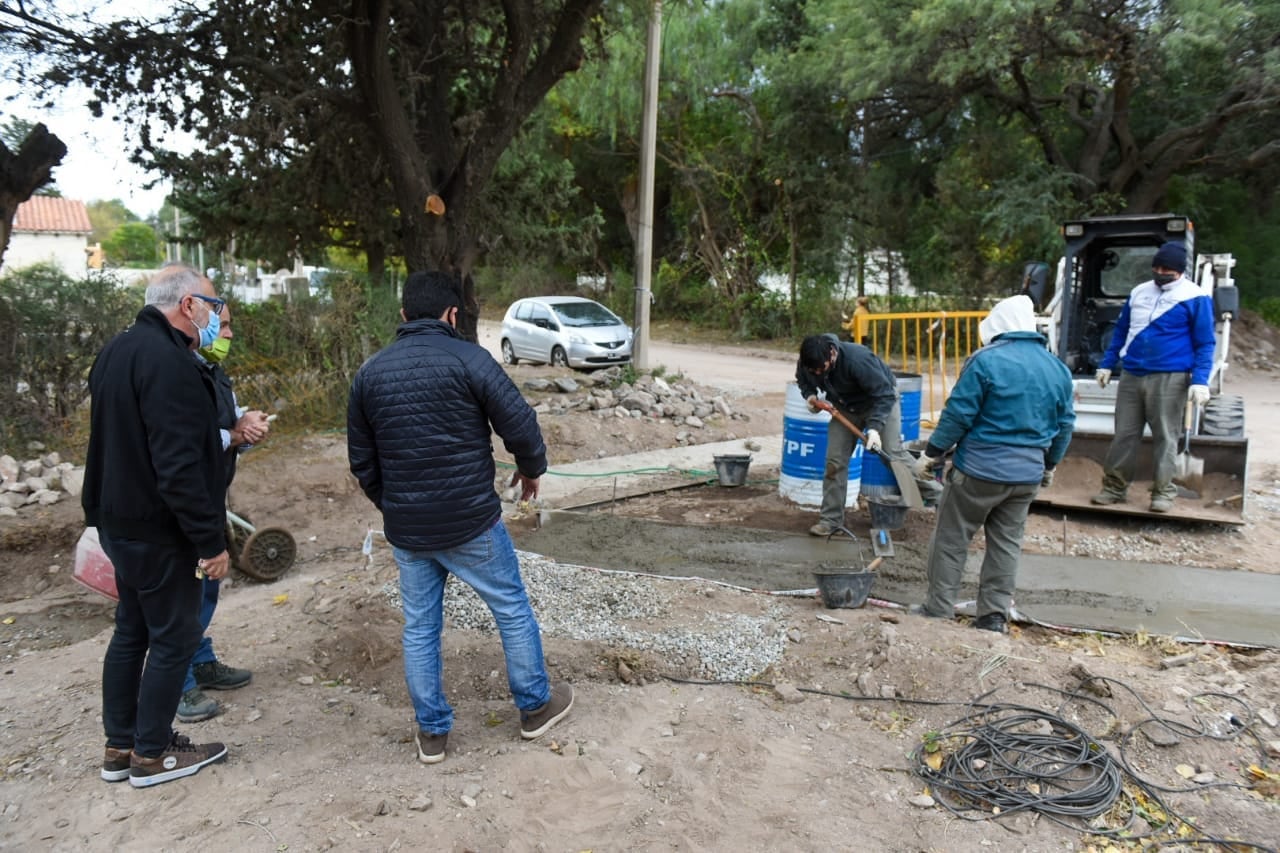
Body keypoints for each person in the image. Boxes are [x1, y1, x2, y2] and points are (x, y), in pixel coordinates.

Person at [347, 270, 573, 765]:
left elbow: (362, 462)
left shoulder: (370, 372)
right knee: (510, 607)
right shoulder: (471, 359)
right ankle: (535, 708)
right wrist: (532, 470)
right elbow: (520, 422)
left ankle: (432, 734)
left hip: (408, 530)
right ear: (453, 315)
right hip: (472, 520)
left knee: (420, 626)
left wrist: (397, 505)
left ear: (404, 315)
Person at [81, 264, 231, 788]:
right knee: (174, 637)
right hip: (159, 529)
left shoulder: (116, 350)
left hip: (118, 523)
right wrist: (210, 540)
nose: (216, 316)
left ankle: (119, 745)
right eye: (213, 305)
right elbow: (178, 466)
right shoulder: (170, 363)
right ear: (188, 306)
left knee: (132, 631)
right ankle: (153, 752)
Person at [910, 295, 1075, 633]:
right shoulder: (1057, 368)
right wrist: (1049, 465)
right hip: (1027, 475)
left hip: (979, 471)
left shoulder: (985, 361)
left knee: (952, 538)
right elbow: (1065, 425)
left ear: (998, 327)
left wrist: (933, 453)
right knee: (1006, 544)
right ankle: (993, 617)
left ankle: (938, 610)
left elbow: (959, 413)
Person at [177, 304, 271, 722]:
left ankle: (199, 661)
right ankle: (177, 685)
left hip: (212, 495)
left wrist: (245, 429)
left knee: (206, 588)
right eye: (223, 325)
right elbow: (182, 441)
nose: (227, 334)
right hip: (184, 499)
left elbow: (224, 432)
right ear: (191, 313)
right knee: (185, 594)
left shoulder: (213, 373)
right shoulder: (175, 373)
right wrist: (232, 434)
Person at [1091, 241, 1216, 512]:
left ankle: (1163, 493)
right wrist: (1107, 363)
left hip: (1170, 376)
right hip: (1132, 373)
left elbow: (1205, 342)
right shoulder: (1139, 293)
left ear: (1180, 271)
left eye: (1167, 269)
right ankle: (1114, 488)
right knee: (1124, 434)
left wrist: (1200, 380)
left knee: (1166, 437)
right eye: (1157, 267)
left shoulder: (1195, 297)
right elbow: (1121, 331)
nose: (1160, 272)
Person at [795, 332, 940, 537]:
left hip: (880, 402)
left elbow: (885, 394)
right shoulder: (808, 361)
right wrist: (810, 397)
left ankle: (940, 497)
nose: (818, 372)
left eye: (822, 368)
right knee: (834, 462)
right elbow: (803, 380)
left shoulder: (858, 360)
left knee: (891, 454)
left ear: (832, 354)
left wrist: (874, 429)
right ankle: (831, 521)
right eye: (814, 370)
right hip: (845, 407)